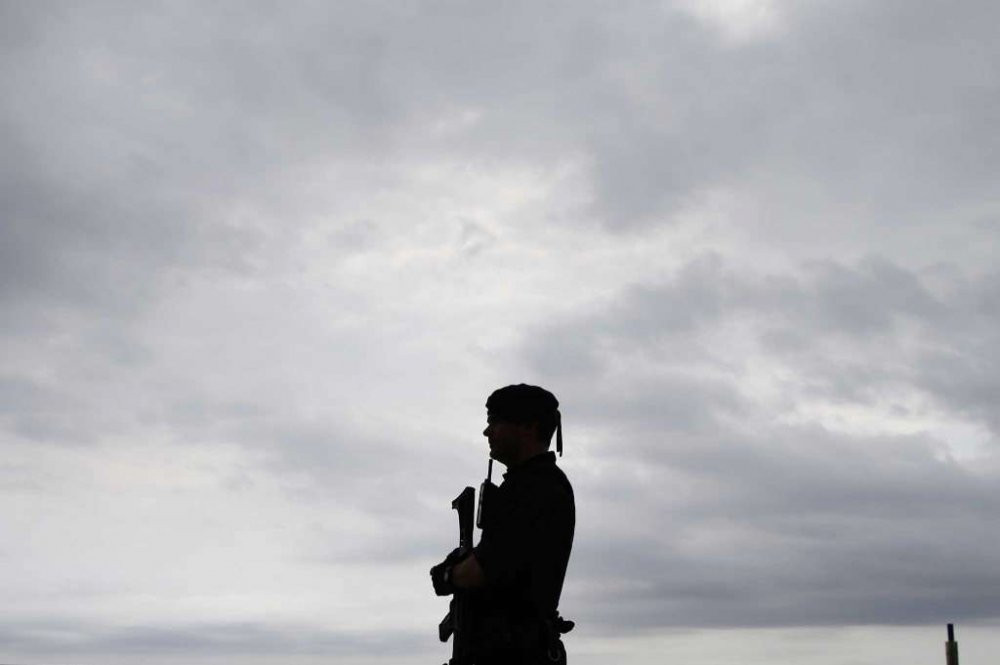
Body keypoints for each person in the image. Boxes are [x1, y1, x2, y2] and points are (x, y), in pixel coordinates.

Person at [431, 384, 576, 664]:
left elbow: (484, 570)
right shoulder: (533, 485)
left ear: (528, 427)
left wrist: (448, 574)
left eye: (495, 422)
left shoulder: (534, 488)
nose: (488, 432)